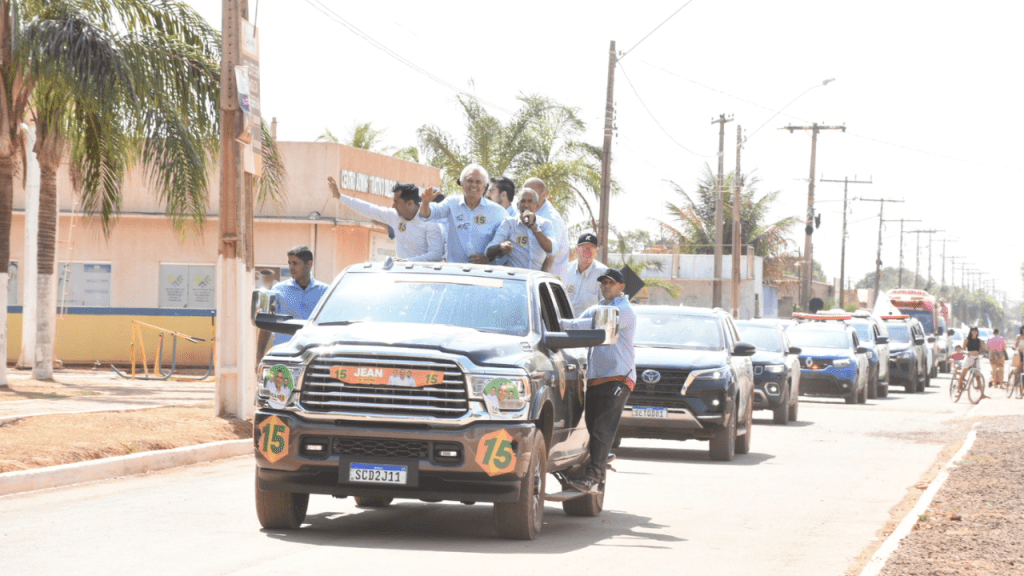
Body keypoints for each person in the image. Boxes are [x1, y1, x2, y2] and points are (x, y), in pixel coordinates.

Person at [559, 268, 636, 493]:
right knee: (593, 426)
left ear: (621, 287)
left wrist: (554, 321)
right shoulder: (597, 307)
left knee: (602, 427)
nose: (605, 286)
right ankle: (602, 457)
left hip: (619, 377)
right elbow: (575, 328)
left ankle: (594, 475)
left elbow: (586, 325)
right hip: (596, 379)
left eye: (610, 283)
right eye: (603, 282)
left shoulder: (625, 311)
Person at [328, 177, 444, 262]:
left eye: (397, 202)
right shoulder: (394, 215)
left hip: (425, 282)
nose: (393, 206)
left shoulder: (429, 221)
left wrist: (408, 262)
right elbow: (369, 209)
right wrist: (340, 197)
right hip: (402, 279)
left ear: (409, 203)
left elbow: (436, 254)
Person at [419, 164, 507, 264]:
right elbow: (428, 214)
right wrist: (425, 203)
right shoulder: (451, 204)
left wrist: (489, 259)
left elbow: (507, 244)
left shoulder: (498, 212)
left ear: (485, 186)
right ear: (462, 183)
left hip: (484, 272)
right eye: (469, 181)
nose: (474, 185)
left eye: (478, 182)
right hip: (456, 272)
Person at [257, 245, 330, 350]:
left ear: (309, 264)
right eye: (289, 263)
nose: (291, 267)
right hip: (284, 356)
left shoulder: (325, 291)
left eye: (295, 263)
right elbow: (266, 325)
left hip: (313, 355)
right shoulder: (277, 290)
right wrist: (259, 357)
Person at [484, 187, 555, 271]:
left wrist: (533, 227)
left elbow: (551, 249)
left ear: (537, 206)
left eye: (530, 201)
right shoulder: (509, 223)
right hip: (514, 278)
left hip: (535, 279)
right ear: (517, 205)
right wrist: (501, 247)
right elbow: (488, 252)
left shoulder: (546, 224)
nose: (526, 205)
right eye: (523, 201)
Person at [523, 177, 570, 284]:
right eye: (524, 192)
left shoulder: (550, 219)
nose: (527, 196)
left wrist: (540, 284)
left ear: (543, 195)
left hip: (548, 285)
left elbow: (550, 255)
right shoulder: (528, 210)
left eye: (531, 192)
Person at [567, 232, 608, 312]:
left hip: (589, 323)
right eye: (584, 248)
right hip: (564, 322)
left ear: (596, 251)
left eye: (591, 248)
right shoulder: (566, 270)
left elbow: (606, 306)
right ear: (576, 249)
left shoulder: (603, 273)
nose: (587, 251)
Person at [957, 327, 987, 397]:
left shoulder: (979, 341)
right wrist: (967, 352)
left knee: (978, 376)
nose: (974, 332)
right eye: (973, 331)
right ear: (970, 332)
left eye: (975, 331)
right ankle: (958, 391)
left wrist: (984, 353)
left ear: (977, 332)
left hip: (976, 359)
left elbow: (982, 350)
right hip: (969, 358)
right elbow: (963, 349)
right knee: (963, 374)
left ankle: (982, 394)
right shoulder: (967, 340)